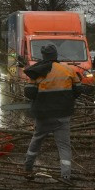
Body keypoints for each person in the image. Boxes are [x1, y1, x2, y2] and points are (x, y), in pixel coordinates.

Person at [22, 44, 82, 182]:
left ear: (43, 56)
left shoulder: (38, 72)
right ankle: (66, 175)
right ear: (56, 55)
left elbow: (29, 93)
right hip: (63, 115)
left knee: (36, 141)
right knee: (64, 146)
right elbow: (78, 90)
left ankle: (28, 168)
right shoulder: (68, 70)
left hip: (43, 116)